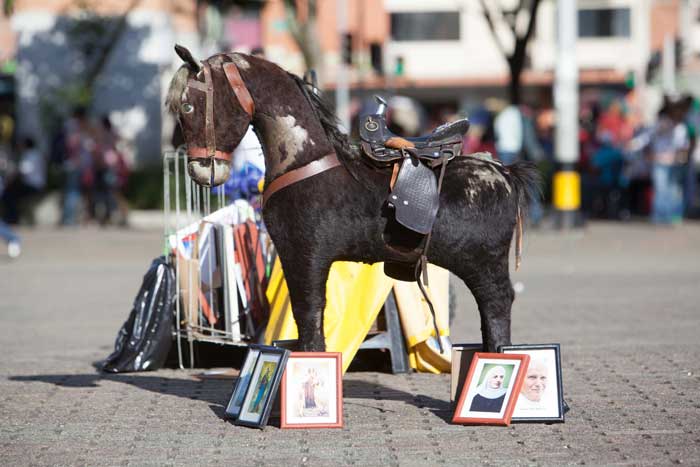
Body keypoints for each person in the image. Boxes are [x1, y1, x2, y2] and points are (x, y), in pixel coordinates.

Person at [0, 137, 46, 225]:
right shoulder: (36, 154)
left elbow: (24, 170)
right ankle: (12, 218)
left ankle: (12, 219)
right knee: (11, 192)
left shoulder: (30, 154)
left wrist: (10, 177)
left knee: (9, 194)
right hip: (37, 185)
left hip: (33, 186)